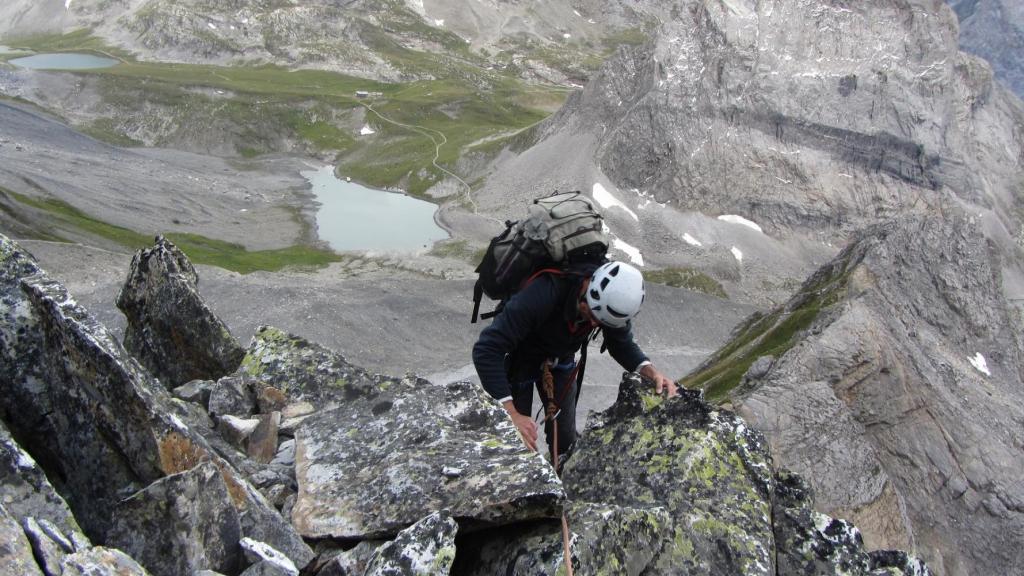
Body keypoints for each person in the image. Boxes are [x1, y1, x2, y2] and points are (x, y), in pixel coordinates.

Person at [472, 260, 677, 461]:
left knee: (566, 441)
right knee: (516, 442)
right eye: (593, 315)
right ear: (588, 292)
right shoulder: (543, 293)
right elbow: (487, 350)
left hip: (561, 359)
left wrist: (650, 371)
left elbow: (620, 344)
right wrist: (511, 414)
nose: (594, 323)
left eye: (601, 322)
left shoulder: (611, 304)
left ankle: (562, 474)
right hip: (519, 361)